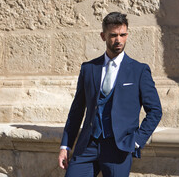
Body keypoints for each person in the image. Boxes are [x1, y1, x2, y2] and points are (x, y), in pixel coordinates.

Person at [58, 12, 162, 177]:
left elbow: (155, 110)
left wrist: (136, 141)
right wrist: (66, 146)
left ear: (127, 35)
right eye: (113, 35)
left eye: (122, 35)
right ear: (103, 36)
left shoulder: (139, 70)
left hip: (119, 148)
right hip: (88, 146)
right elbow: (77, 111)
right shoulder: (89, 69)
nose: (118, 40)